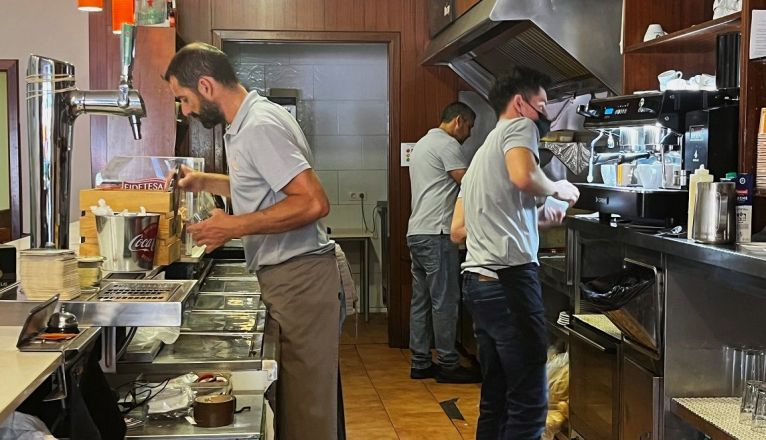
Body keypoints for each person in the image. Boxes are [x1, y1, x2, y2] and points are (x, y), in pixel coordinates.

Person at [164, 43, 342, 440]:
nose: (186, 111)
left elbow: (313, 203)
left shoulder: (259, 125)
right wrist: (204, 181)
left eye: (185, 99)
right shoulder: (245, 122)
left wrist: (231, 226)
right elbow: (263, 186)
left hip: (301, 278)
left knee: (307, 413)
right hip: (292, 277)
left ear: (206, 86)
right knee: (301, 406)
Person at [453, 67, 579, 439]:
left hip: (479, 283)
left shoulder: (480, 156)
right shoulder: (518, 127)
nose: (544, 115)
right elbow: (524, 177)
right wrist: (559, 189)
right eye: (542, 105)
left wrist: (534, 220)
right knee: (529, 402)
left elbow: (458, 230)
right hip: (509, 281)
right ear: (520, 103)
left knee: (497, 400)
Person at [406, 102, 480, 383]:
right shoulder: (448, 145)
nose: (469, 134)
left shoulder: (424, 143)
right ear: (458, 121)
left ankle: (421, 362)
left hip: (417, 232)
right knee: (445, 301)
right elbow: (471, 183)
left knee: (421, 301)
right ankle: (449, 364)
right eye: (470, 127)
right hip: (437, 233)